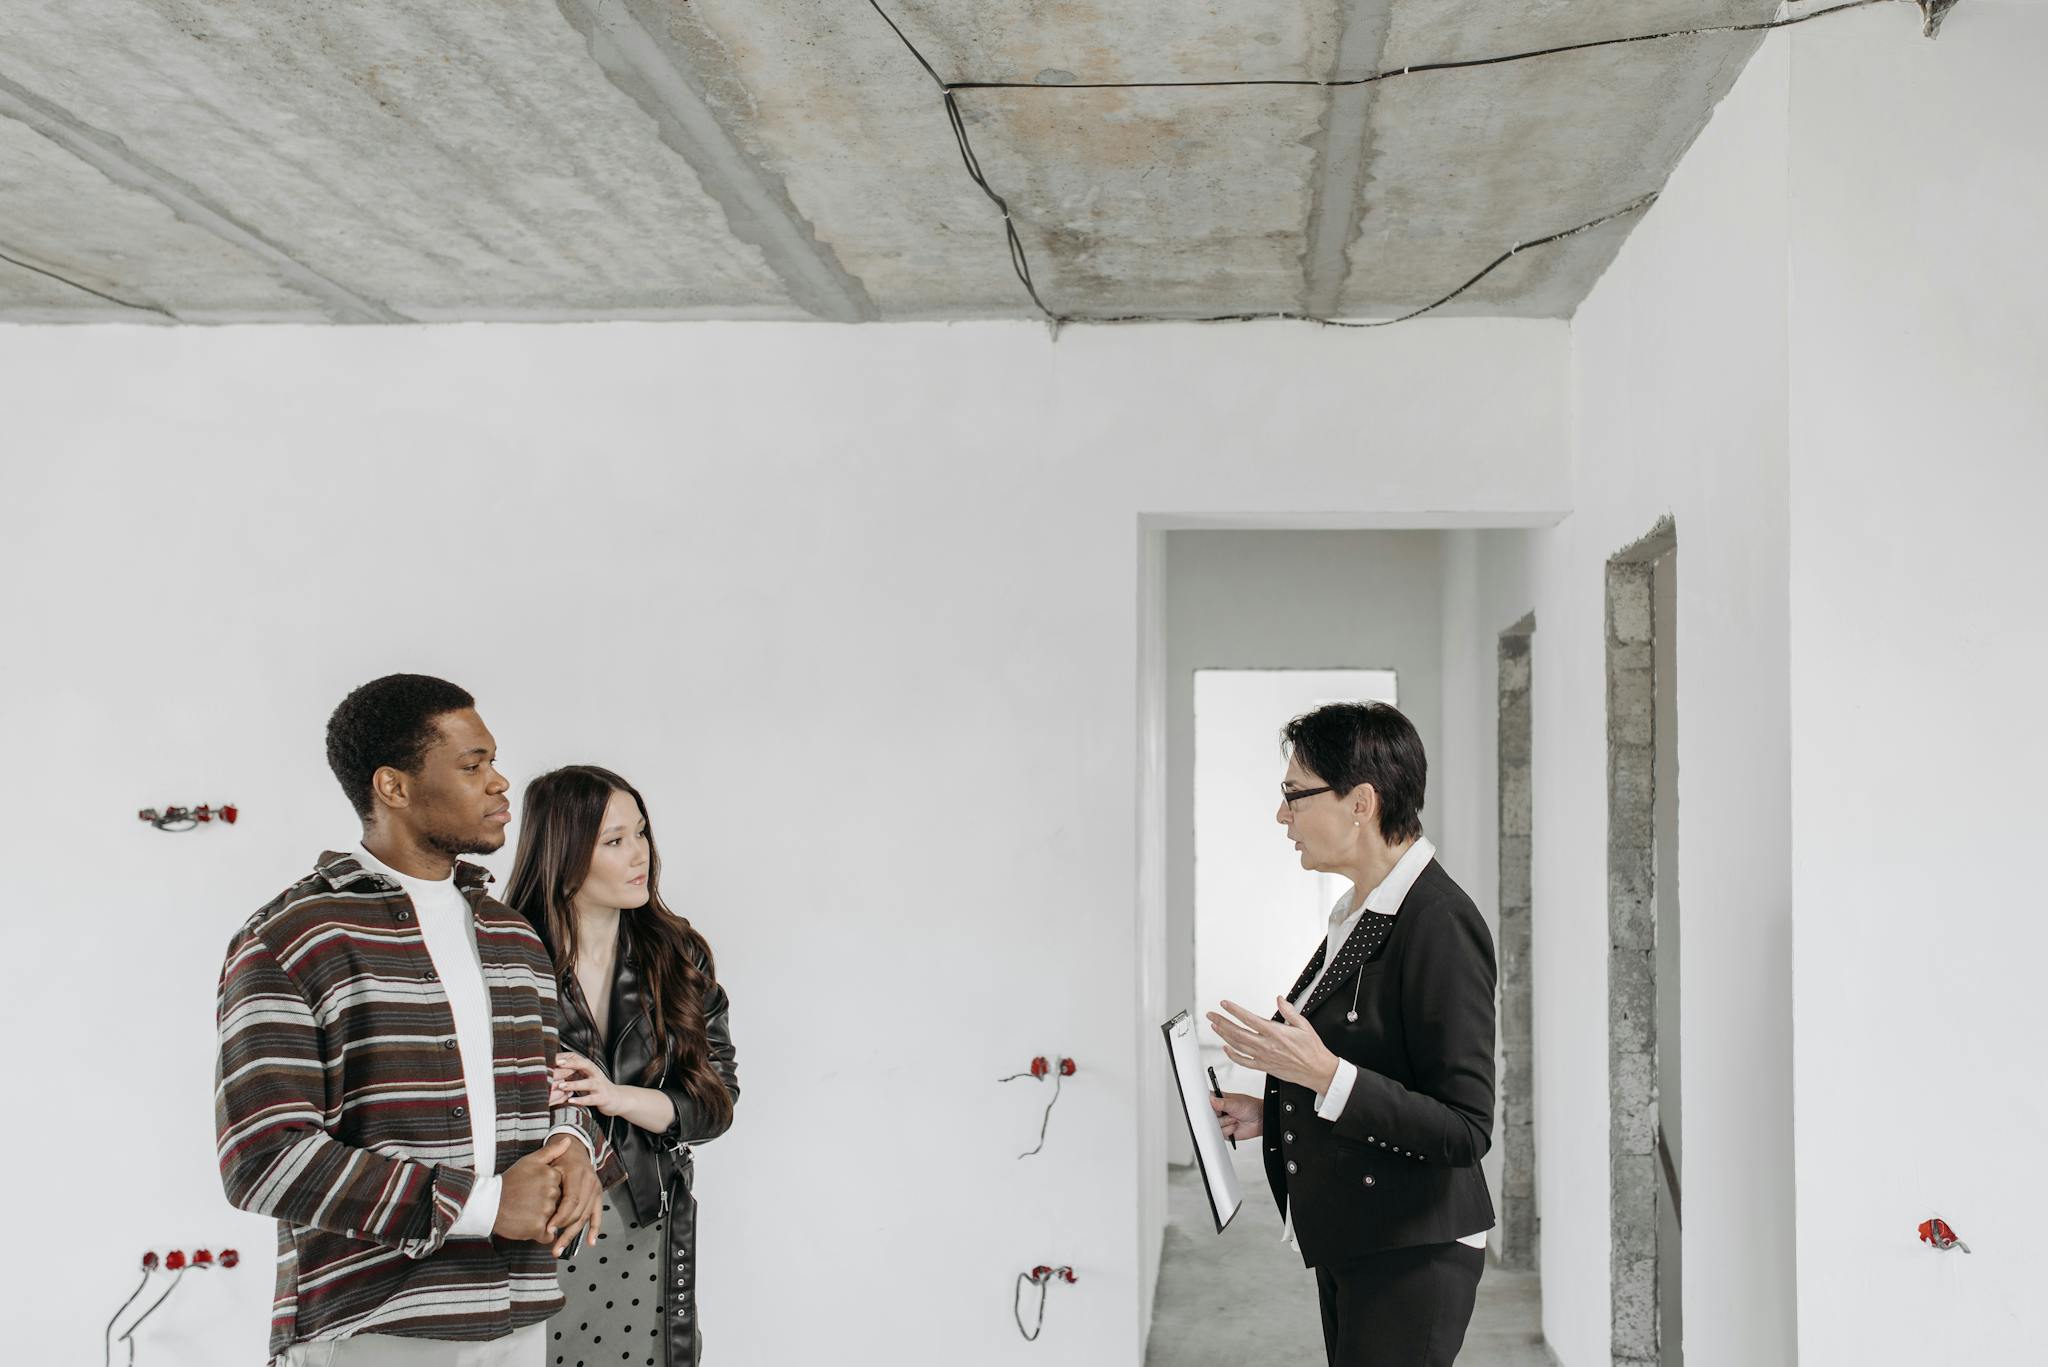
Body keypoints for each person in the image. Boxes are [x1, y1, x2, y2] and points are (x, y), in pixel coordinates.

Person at [215, 674, 621, 1366]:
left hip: (520, 1318)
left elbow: (556, 1090)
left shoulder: (514, 938)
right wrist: (487, 1205)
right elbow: (263, 1158)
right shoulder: (295, 937)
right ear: (393, 787)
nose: (500, 783)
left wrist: (577, 1145)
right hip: (374, 1331)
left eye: (494, 759)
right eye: (473, 765)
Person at [1207, 701, 1497, 1367]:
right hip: (1360, 1239)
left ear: (1361, 801)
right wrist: (1274, 1107)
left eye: (1294, 795)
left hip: (1412, 1252)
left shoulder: (1439, 921)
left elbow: (1464, 1128)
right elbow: (1374, 1062)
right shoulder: (1361, 910)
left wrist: (1323, 1076)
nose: (1283, 815)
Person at [506, 765, 738, 1367]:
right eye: (614, 841)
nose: (640, 855)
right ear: (564, 853)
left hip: (645, 1220)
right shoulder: (504, 954)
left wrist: (616, 1097)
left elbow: (714, 1104)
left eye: (642, 833)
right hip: (536, 1226)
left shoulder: (678, 954)